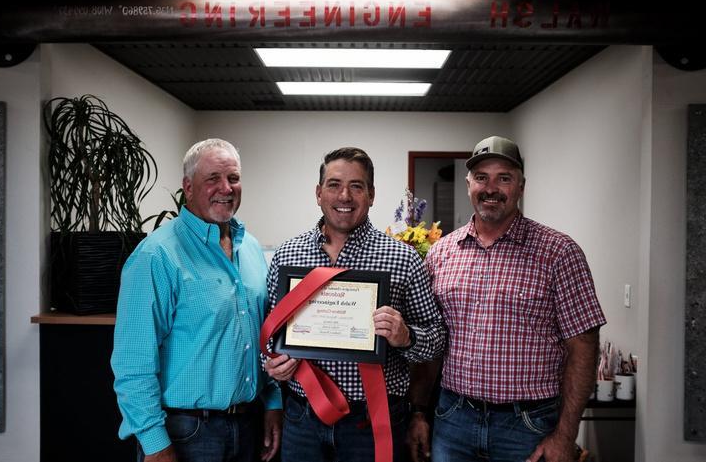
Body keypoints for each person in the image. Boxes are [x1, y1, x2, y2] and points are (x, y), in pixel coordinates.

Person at [408, 136, 606, 462]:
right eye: (481, 178)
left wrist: (565, 435)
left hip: (528, 425)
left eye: (504, 178)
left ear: (521, 186)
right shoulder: (441, 253)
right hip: (453, 419)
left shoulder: (559, 252)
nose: (491, 188)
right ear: (469, 184)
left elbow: (583, 346)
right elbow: (432, 343)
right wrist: (418, 411)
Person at [263, 147, 445, 462]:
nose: (344, 196)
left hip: (374, 423)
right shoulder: (286, 256)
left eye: (356, 186)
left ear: (371, 195)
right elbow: (270, 334)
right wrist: (272, 362)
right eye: (334, 185)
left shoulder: (403, 259)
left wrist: (406, 337)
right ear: (318, 193)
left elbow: (436, 339)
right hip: (302, 420)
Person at [111, 138, 282, 462]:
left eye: (233, 178)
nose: (226, 188)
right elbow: (133, 364)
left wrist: (273, 402)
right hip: (186, 433)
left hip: (249, 425)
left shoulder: (251, 249)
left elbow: (264, 338)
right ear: (188, 187)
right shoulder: (156, 256)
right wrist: (155, 445)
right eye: (213, 178)